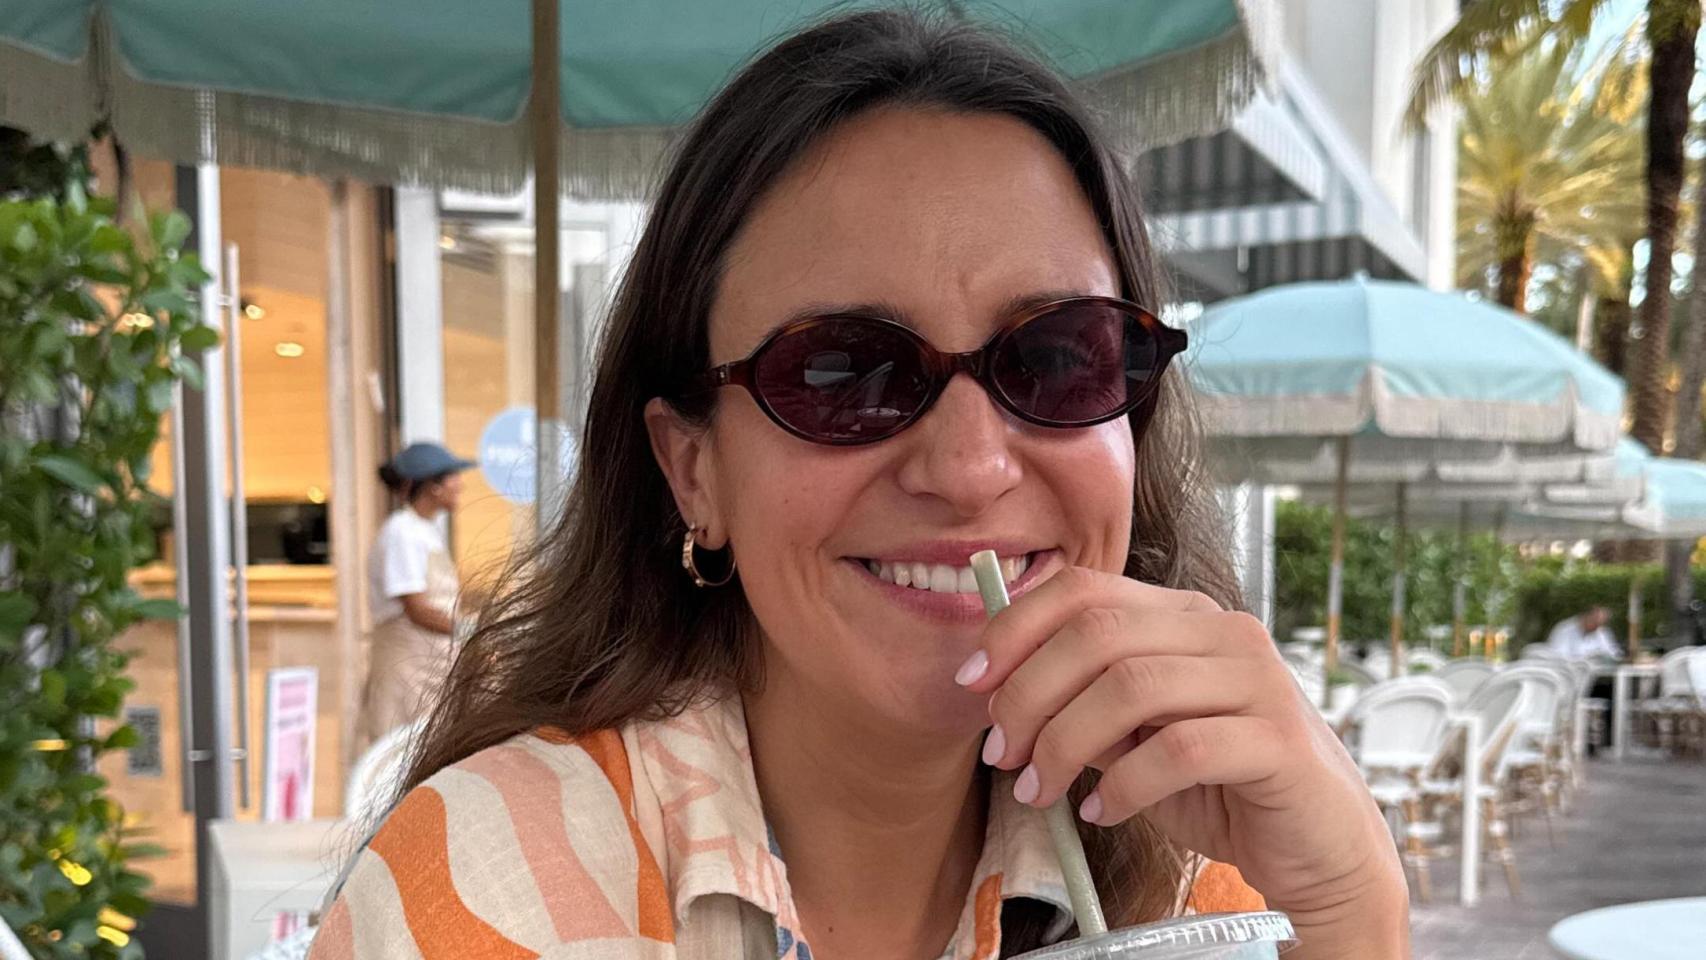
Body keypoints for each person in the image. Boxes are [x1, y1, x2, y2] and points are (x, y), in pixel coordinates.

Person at [310, 11, 1407, 959]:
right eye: (842, 372)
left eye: (1055, 356)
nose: (970, 468)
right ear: (693, 471)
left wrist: (1353, 909)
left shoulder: (1197, 879)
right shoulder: (498, 896)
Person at [358, 442, 472, 748]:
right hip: (405, 668)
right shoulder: (401, 532)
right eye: (454, 477)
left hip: (426, 665)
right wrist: (470, 630)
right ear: (434, 486)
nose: (460, 485)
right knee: (401, 753)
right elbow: (417, 610)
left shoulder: (425, 530)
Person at [1546, 606, 1620, 661]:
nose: (1597, 628)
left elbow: (1613, 654)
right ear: (1585, 616)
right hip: (1567, 672)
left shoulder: (1602, 632)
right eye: (1595, 622)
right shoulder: (1564, 629)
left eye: (1601, 624)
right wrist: (1586, 658)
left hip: (1596, 673)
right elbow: (1558, 657)